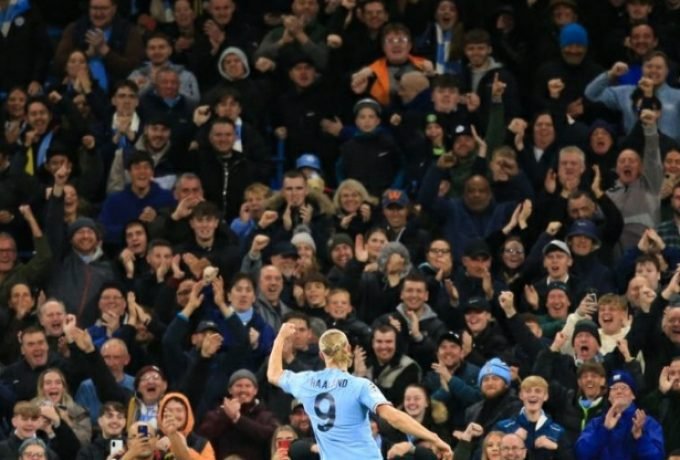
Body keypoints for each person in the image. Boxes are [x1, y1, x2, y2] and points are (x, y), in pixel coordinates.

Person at [267, 324, 453, 460]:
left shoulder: (306, 382)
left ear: (321, 355)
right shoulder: (359, 385)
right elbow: (393, 417)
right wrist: (434, 438)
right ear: (348, 349)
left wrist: (280, 338)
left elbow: (273, 374)